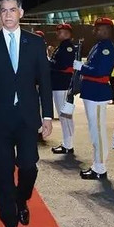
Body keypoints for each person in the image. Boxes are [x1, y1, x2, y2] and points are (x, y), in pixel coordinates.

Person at [0, 0, 53, 227]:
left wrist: (48, 115)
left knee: (29, 166)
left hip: (28, 118)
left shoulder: (36, 43)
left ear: (21, 12)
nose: (7, 15)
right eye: (3, 10)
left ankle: (21, 198)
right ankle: (9, 221)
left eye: (12, 10)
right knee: (3, 171)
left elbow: (45, 81)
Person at [73, 17, 114, 180]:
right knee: (94, 131)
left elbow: (100, 71)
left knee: (98, 132)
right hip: (91, 91)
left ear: (106, 30)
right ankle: (96, 164)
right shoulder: (98, 46)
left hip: (97, 93)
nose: (95, 31)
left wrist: (82, 67)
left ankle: (100, 168)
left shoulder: (106, 48)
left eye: (98, 28)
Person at [49, 23, 77, 154]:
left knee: (65, 116)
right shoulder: (62, 47)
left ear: (68, 34)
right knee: (64, 116)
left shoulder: (67, 48)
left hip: (63, 84)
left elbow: (64, 65)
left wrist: (48, 62)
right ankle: (67, 143)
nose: (59, 34)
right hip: (59, 84)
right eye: (59, 32)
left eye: (61, 32)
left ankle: (68, 145)